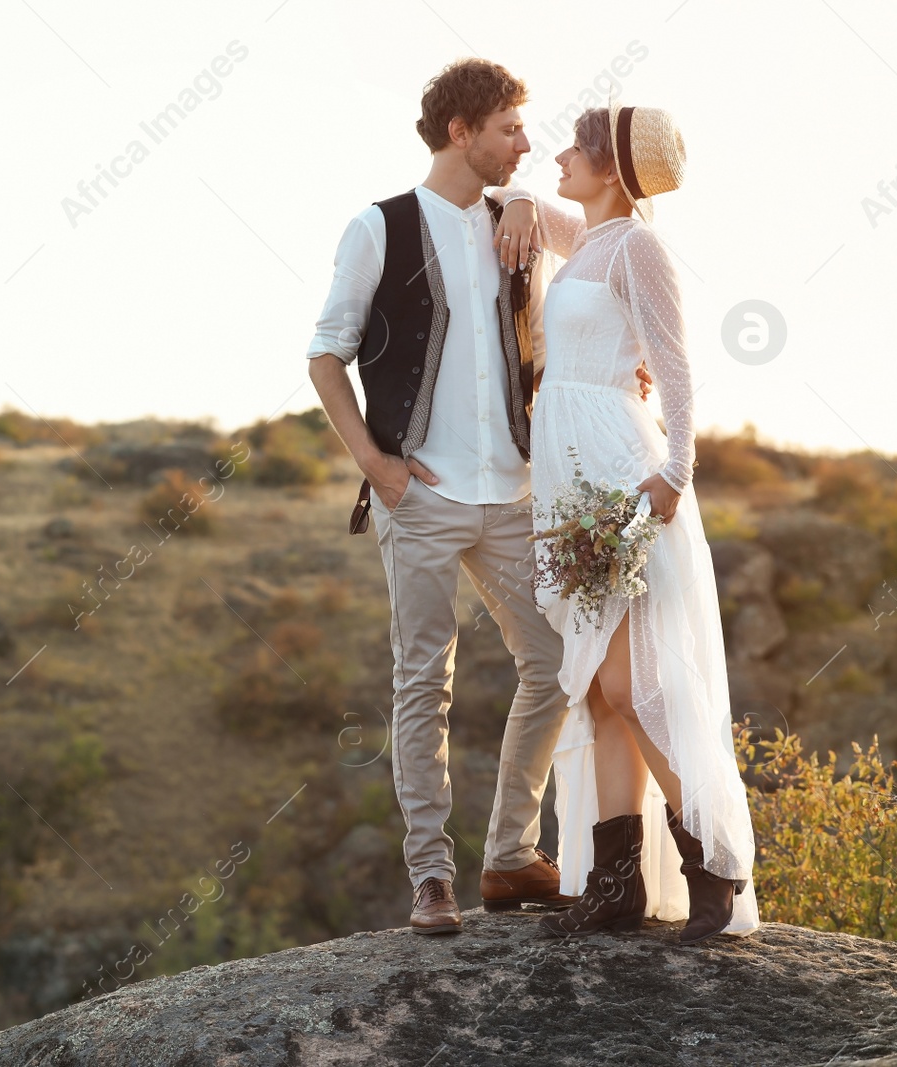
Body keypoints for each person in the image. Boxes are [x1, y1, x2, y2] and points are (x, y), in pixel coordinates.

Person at [305, 59, 649, 934]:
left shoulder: (516, 219)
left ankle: (506, 856)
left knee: (555, 664)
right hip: (418, 494)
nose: (525, 144)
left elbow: (608, 266)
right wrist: (378, 467)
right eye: (508, 129)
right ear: (460, 131)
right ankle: (431, 878)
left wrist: (623, 364)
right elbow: (324, 355)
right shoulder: (376, 226)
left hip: (518, 491)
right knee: (424, 682)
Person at [491, 102, 761, 943]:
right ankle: (616, 888)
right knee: (598, 697)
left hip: (619, 471)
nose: (557, 158)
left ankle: (713, 861)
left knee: (625, 684)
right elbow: (531, 207)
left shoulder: (638, 246)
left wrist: (673, 472)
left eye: (575, 148)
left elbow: (676, 371)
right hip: (571, 476)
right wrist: (528, 202)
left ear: (609, 167)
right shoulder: (595, 240)